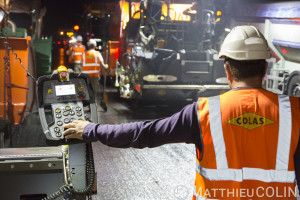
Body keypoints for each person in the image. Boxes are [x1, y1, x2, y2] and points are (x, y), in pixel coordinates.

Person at [63, 26, 300, 199]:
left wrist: (91, 130)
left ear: (227, 70)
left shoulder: (204, 112)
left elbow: (144, 133)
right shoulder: (295, 112)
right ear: (265, 68)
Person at [81, 39, 108, 105]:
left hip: (85, 76)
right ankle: (93, 102)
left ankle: (88, 102)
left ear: (88, 46)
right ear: (95, 46)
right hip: (94, 75)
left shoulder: (84, 54)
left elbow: (81, 64)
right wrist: (106, 66)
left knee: (87, 89)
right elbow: (103, 66)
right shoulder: (97, 54)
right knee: (94, 90)